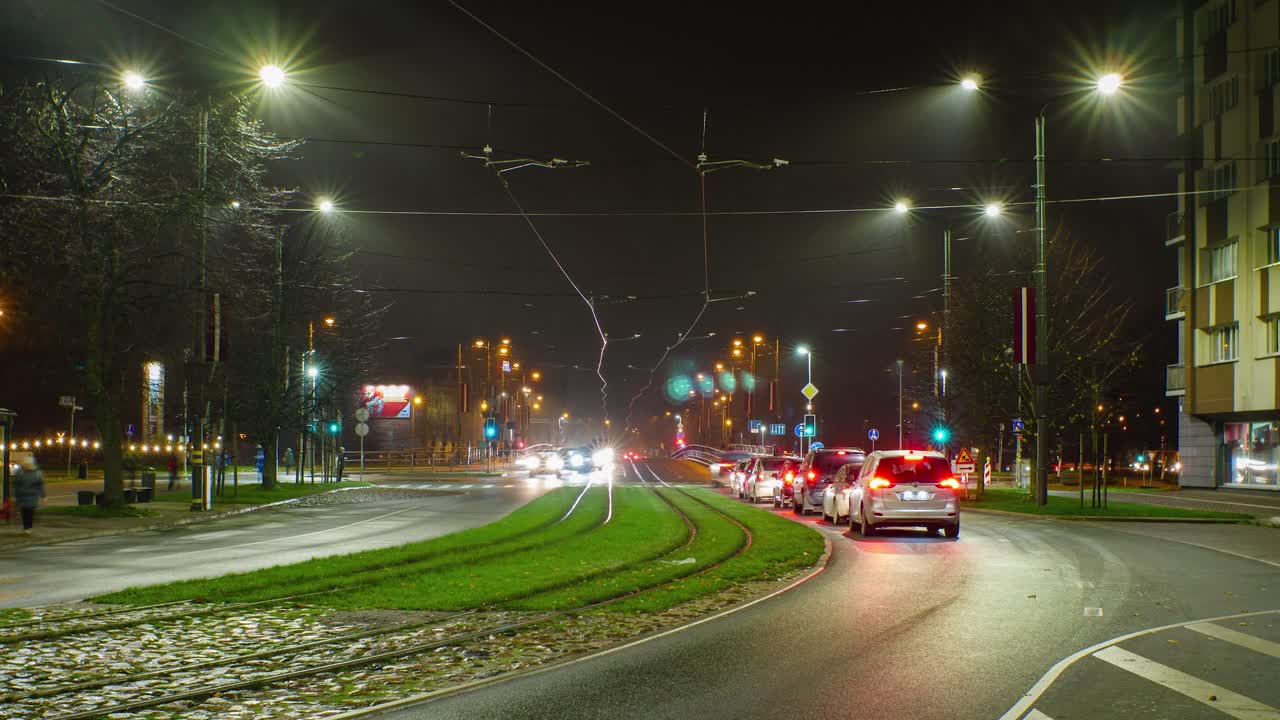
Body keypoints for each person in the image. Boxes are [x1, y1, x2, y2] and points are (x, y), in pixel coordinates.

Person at [14, 457, 46, 533]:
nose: (26, 465)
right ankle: (26, 527)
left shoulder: (37, 473)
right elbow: (16, 485)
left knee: (30, 511)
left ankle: (28, 527)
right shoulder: (20, 473)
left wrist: (43, 496)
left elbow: (40, 485)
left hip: (32, 496)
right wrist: (16, 496)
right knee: (24, 512)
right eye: (26, 464)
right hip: (22, 496)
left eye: (28, 464)